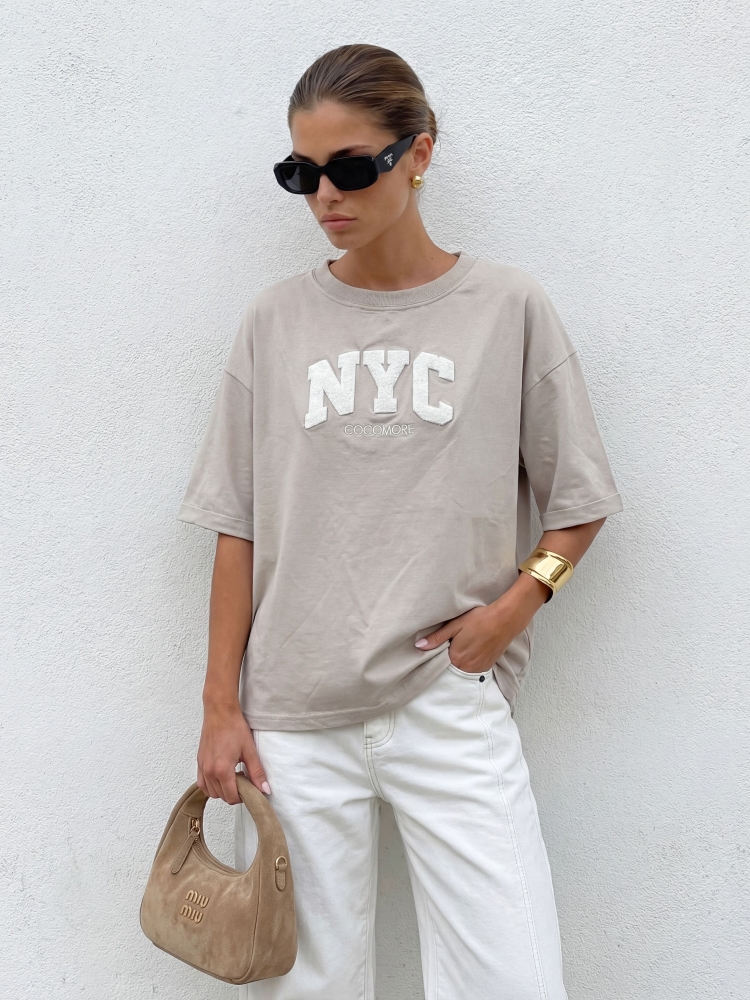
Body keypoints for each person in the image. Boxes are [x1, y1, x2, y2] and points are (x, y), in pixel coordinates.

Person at [176, 42, 624, 1000]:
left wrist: (515, 608)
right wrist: (220, 707)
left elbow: (579, 501)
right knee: (311, 985)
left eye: (349, 167)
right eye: (300, 173)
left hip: (446, 700)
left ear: (418, 154)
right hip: (294, 718)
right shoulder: (274, 322)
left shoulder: (506, 308)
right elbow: (235, 525)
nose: (324, 197)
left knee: (513, 979)